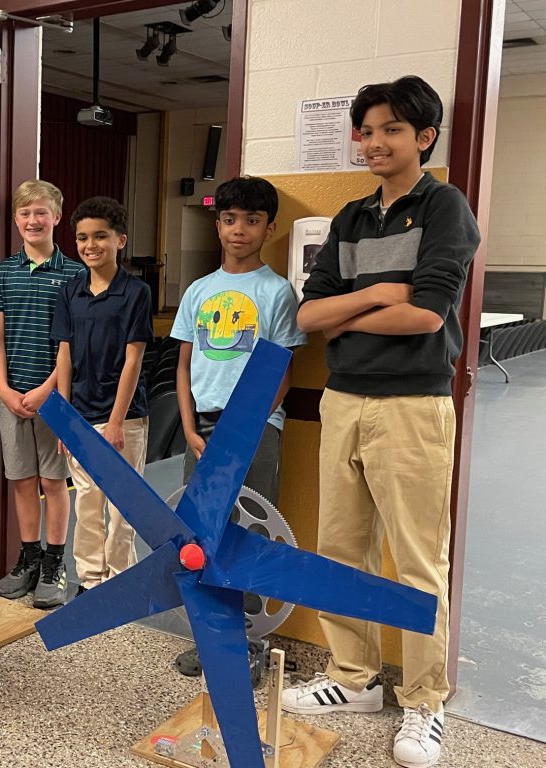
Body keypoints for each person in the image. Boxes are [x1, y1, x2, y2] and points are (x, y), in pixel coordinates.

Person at [280, 76, 480, 768]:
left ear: (423, 137)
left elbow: (426, 312)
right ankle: (352, 677)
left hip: (411, 406)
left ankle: (425, 701)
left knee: (417, 561)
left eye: (391, 129)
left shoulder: (445, 207)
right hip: (345, 400)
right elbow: (308, 314)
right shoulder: (352, 218)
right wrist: (381, 293)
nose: (374, 142)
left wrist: (356, 304)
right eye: (366, 130)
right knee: (340, 547)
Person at [170, 175, 307, 676]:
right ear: (218, 224)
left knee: (249, 533)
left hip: (255, 429)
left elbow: (283, 371)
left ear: (269, 228)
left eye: (252, 221)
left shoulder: (276, 293)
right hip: (201, 430)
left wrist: (246, 427)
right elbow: (183, 366)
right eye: (230, 220)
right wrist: (187, 428)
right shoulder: (199, 291)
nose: (239, 230)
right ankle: (211, 634)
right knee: (203, 534)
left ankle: (248, 643)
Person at [0, 180, 85, 609]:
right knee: (21, 479)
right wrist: (4, 388)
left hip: (53, 395)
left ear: (57, 217)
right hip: (10, 394)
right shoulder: (1, 272)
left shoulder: (75, 273)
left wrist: (47, 391)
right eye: (25, 213)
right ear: (16, 219)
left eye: (41, 213)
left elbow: (73, 345)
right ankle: (27, 557)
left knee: (52, 479)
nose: (33, 221)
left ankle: (54, 561)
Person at [51, 196, 153, 594]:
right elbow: (64, 355)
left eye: (100, 237)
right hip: (79, 414)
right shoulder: (70, 292)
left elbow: (134, 361)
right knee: (87, 502)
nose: (90, 245)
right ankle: (91, 580)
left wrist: (114, 422)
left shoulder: (136, 292)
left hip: (123, 417)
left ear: (120, 240)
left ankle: (121, 581)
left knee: (122, 504)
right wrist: (64, 420)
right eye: (82, 238)